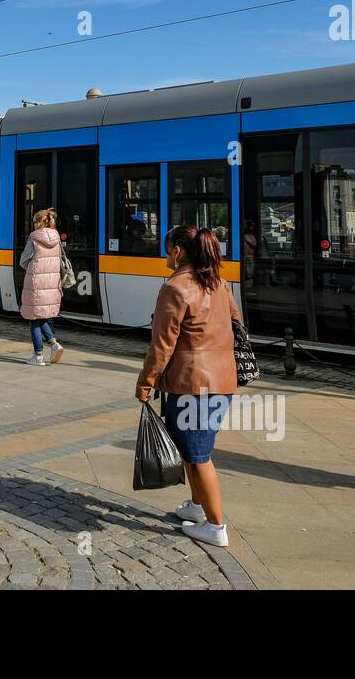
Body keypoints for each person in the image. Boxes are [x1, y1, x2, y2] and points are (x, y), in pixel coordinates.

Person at [135, 225, 240, 547]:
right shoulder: (219, 283)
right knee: (195, 450)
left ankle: (216, 526)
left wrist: (146, 381)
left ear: (177, 251)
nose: (165, 255)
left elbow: (162, 345)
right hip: (222, 381)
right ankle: (197, 507)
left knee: (197, 456)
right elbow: (237, 327)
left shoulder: (176, 288)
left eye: (167, 249)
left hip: (192, 385)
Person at [19, 207, 65, 366]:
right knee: (41, 317)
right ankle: (54, 344)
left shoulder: (34, 239)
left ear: (39, 222)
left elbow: (23, 261)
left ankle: (38, 356)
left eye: (33, 222)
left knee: (33, 319)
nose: (32, 225)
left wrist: (32, 268)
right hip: (52, 284)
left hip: (36, 284)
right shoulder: (57, 238)